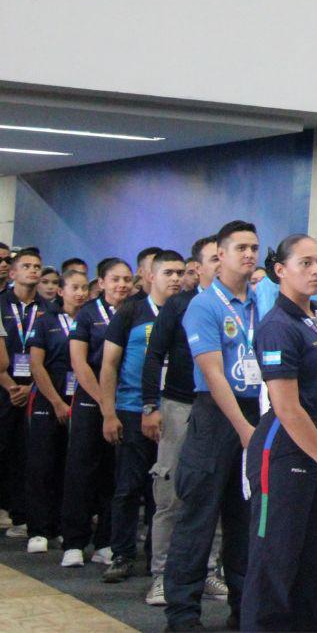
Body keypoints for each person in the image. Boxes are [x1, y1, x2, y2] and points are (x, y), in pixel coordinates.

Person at [242, 235, 317, 630]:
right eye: (306, 263)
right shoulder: (276, 327)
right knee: (275, 562)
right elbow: (288, 409)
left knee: (314, 565)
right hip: (286, 454)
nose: (316, 271)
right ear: (280, 270)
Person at [164, 220, 262, 632]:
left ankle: (245, 608)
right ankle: (183, 615)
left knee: (246, 519)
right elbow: (213, 373)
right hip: (216, 416)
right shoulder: (204, 306)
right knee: (198, 517)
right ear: (220, 256)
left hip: (256, 412)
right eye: (241, 248)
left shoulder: (262, 301)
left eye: (254, 247)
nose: (250, 254)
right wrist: (243, 428)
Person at [141, 235, 226, 606]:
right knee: (171, 494)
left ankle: (207, 571)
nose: (221, 263)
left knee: (215, 491)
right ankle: (161, 575)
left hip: (220, 407)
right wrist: (150, 406)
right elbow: (153, 355)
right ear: (199, 266)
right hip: (178, 406)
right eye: (213, 258)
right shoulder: (180, 304)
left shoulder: (237, 306)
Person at [100, 250, 185, 585]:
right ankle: (121, 554)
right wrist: (109, 413)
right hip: (132, 409)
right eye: (168, 273)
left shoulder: (187, 310)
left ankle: (156, 556)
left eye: (180, 273)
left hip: (175, 412)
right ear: (151, 276)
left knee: (164, 489)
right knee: (128, 486)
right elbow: (109, 365)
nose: (176, 279)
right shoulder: (131, 311)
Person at [62, 257, 134, 567]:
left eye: (127, 279)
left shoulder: (136, 311)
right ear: (101, 283)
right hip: (92, 401)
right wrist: (105, 404)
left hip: (124, 401)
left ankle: (106, 541)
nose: (122, 285)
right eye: (115, 279)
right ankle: (74, 542)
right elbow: (79, 363)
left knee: (113, 473)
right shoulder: (88, 313)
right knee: (81, 469)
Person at [24, 267, 89, 553]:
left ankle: (65, 526)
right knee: (42, 464)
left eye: (84, 287)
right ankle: (39, 529)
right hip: (49, 400)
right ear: (61, 292)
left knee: (72, 466)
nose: (80, 293)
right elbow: (36, 365)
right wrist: (56, 402)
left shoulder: (90, 320)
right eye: (74, 287)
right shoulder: (46, 321)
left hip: (81, 400)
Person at [0, 248, 52, 539]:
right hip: (3, 385)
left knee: (27, 453)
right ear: (12, 273)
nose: (33, 270)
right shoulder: (1, 303)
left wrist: (32, 385)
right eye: (27, 266)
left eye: (37, 266)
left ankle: (21, 514)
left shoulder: (49, 308)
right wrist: (9, 385)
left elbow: (51, 355)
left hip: (34, 387)